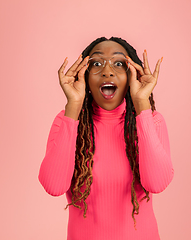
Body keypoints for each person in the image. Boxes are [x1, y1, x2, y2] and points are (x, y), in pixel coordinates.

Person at [38, 36, 174, 240]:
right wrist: (73, 105)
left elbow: (157, 183)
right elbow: (53, 186)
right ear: (83, 77)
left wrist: (141, 104)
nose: (107, 71)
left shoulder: (152, 121)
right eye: (96, 64)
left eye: (119, 64)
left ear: (132, 76)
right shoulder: (66, 121)